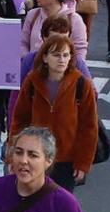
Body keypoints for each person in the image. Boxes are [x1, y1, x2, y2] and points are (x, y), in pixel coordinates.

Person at [9, 33, 98, 190]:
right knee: (32, 199)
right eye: (56, 55)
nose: (61, 60)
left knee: (61, 202)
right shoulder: (32, 81)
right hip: (35, 155)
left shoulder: (82, 84)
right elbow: (19, 121)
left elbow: (89, 127)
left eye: (66, 55)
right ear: (45, 57)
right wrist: (12, 157)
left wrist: (83, 163)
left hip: (66, 160)